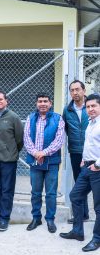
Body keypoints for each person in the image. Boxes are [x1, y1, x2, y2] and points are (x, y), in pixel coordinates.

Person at [60, 94, 100, 252]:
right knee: (75, 196)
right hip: (87, 167)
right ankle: (77, 231)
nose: (90, 109)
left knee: (98, 207)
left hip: (97, 168)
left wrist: (97, 164)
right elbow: (90, 144)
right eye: (88, 107)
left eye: (94, 106)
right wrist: (84, 159)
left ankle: (97, 239)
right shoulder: (91, 124)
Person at [24, 93, 65, 233]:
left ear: (50, 103)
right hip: (35, 161)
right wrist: (36, 153)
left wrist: (44, 153)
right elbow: (27, 138)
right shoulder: (30, 118)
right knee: (35, 192)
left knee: (51, 193)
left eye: (45, 101)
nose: (42, 103)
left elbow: (59, 140)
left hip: (51, 162)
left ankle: (50, 219)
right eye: (40, 101)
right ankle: (36, 218)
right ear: (36, 104)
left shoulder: (58, 118)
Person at [0, 90, 24, 232]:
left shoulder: (14, 117)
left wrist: (10, 152)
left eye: (1, 99)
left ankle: (4, 218)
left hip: (8, 161)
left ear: (6, 101)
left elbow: (19, 140)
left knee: (7, 190)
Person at [62, 80, 89, 224]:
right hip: (76, 152)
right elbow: (65, 129)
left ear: (84, 91)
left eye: (77, 89)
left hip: (93, 153)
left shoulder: (92, 106)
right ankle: (83, 215)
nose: (75, 93)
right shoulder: (67, 110)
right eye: (72, 90)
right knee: (80, 183)